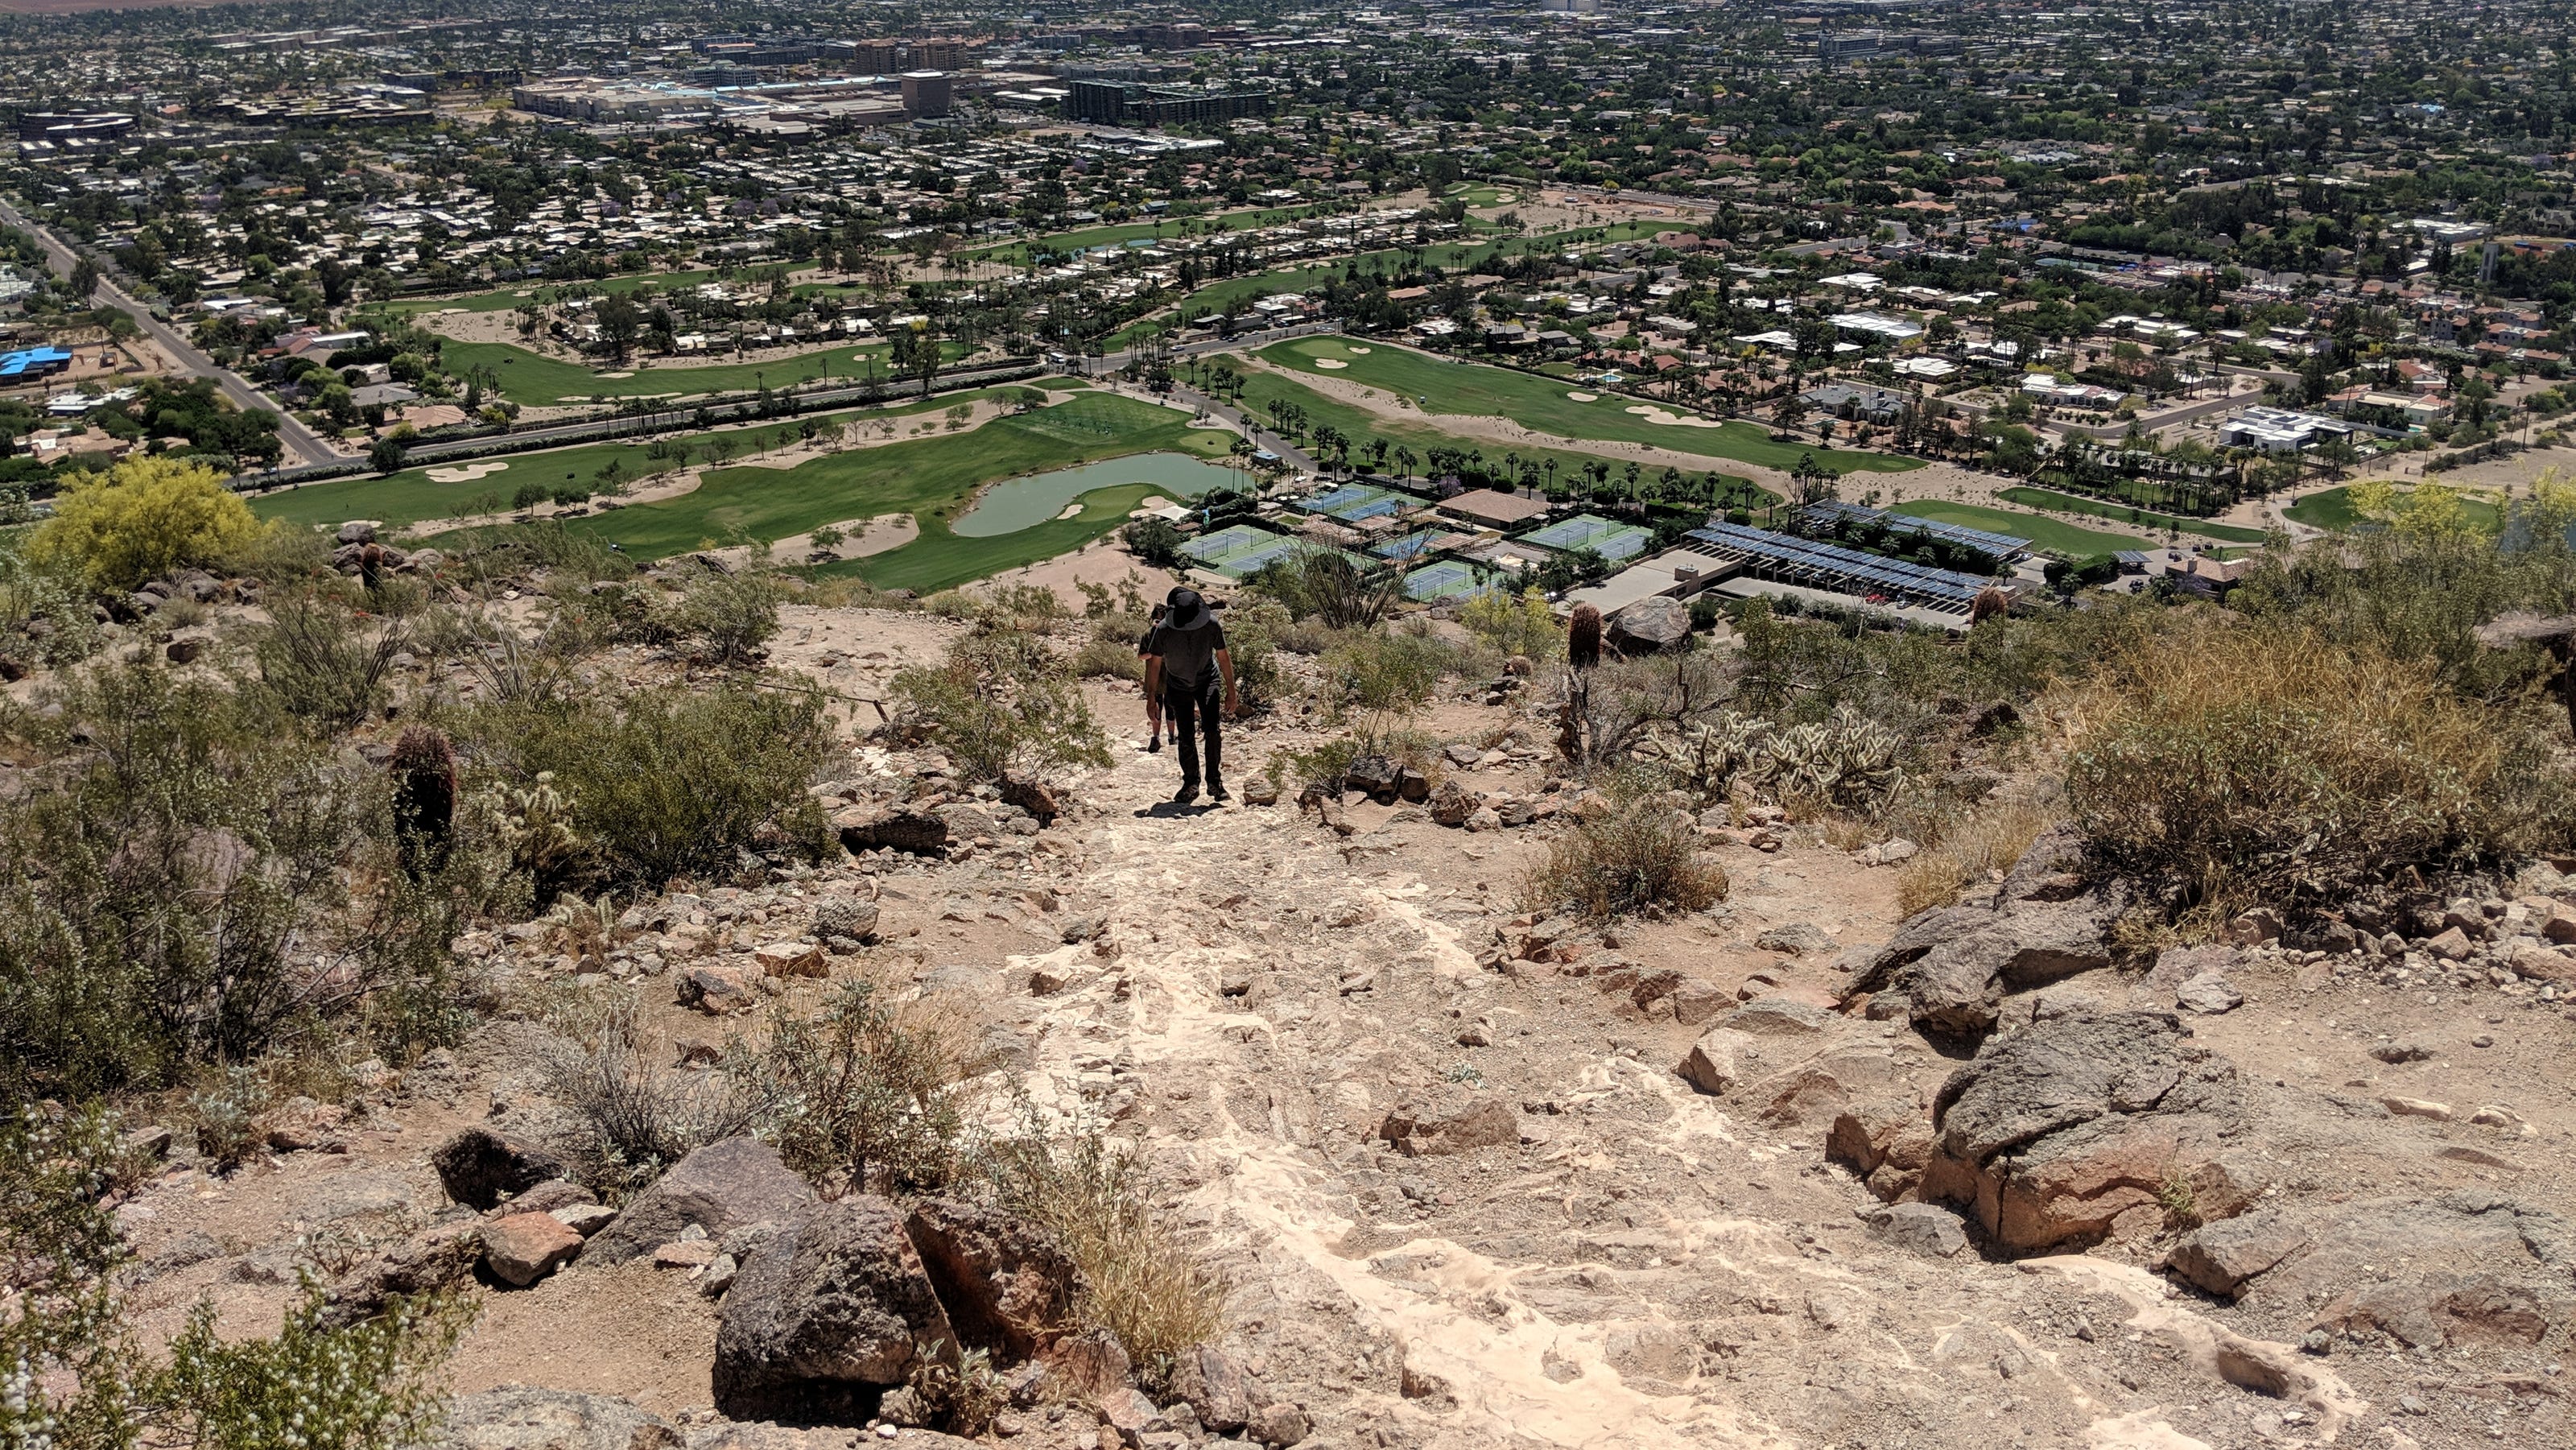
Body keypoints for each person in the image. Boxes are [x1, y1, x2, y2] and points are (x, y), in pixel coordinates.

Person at [1139, 586, 1237, 804]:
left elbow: (1223, 657)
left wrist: (1231, 691)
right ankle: (1191, 783)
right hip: (1178, 684)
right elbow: (1154, 665)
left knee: (1212, 730)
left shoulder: (1211, 625)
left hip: (1207, 680)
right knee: (1185, 735)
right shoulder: (1163, 630)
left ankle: (1215, 782)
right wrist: (1151, 697)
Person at [1135, 603, 1169, 752]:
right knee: (1156, 708)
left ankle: (1173, 737)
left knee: (1172, 708)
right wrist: (1155, 653)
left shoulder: (1171, 634)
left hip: (1170, 675)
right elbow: (1141, 656)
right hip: (1154, 678)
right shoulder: (1148, 634)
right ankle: (1155, 738)